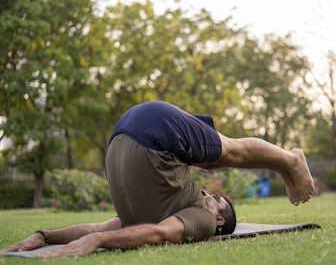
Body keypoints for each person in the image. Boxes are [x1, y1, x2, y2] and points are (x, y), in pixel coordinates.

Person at [0, 101, 314, 257]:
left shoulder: (199, 219)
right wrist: (99, 243)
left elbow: (107, 229)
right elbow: (160, 233)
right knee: (226, 155)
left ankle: (288, 161)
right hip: (153, 134)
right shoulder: (196, 213)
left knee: (216, 160)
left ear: (219, 221)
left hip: (124, 138)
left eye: (217, 199)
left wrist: (44, 235)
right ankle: (290, 159)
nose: (207, 193)